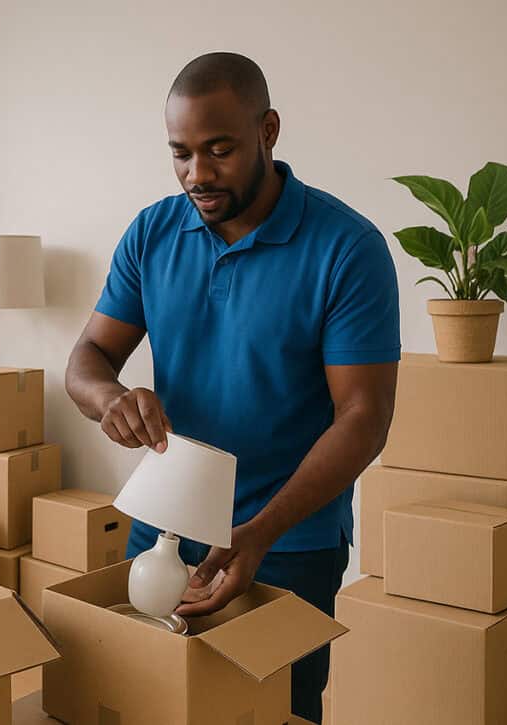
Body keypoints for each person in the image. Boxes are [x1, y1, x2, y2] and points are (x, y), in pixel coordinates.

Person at [64, 52, 399, 723]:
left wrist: (260, 531)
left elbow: (363, 416)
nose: (198, 174)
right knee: (145, 701)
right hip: (163, 527)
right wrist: (112, 400)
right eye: (181, 153)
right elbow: (88, 357)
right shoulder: (153, 232)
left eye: (219, 150)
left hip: (289, 543)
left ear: (268, 131)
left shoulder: (346, 248)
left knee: (268, 712)